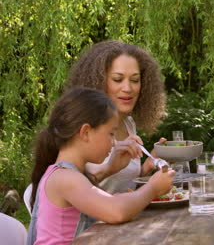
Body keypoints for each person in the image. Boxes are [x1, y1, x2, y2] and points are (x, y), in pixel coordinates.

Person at [27, 87, 175, 245]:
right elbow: (116, 211)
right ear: (85, 132)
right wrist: (153, 188)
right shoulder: (64, 177)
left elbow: (109, 204)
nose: (114, 143)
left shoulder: (68, 174)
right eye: (111, 134)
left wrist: (113, 171)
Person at [65, 40, 166, 193]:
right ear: (98, 81)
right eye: (118, 79)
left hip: (128, 215)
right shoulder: (81, 128)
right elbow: (68, 188)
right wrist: (107, 169)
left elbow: (124, 187)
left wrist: (146, 169)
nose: (128, 88)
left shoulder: (128, 123)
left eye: (135, 80)